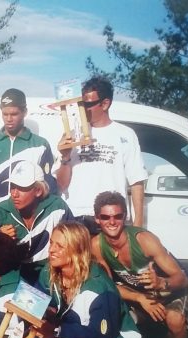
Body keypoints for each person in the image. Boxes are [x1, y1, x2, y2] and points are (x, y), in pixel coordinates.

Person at [34, 222, 141, 338]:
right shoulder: (50, 271)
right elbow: (38, 301)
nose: (51, 250)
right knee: (35, 329)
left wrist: (55, 331)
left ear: (77, 250)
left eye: (59, 246)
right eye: (51, 243)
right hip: (81, 331)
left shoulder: (98, 286)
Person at [90, 191, 188, 338]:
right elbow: (108, 286)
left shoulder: (144, 240)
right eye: (105, 217)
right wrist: (140, 298)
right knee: (111, 313)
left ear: (125, 217)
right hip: (139, 292)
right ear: (97, 219)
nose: (112, 222)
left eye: (118, 216)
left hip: (171, 288)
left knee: (175, 320)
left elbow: (182, 279)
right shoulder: (97, 245)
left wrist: (161, 282)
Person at [56, 76, 147, 233]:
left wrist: (138, 226)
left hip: (110, 218)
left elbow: (136, 181)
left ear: (105, 104)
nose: (83, 109)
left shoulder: (125, 134)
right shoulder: (71, 135)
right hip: (75, 217)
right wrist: (65, 157)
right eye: (81, 104)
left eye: (88, 104)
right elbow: (61, 185)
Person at [0, 160, 73, 281]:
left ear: (38, 191)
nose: (14, 194)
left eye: (21, 188)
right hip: (12, 277)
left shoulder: (57, 207)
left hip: (50, 274)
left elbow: (76, 242)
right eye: (12, 187)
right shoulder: (0, 212)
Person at [0, 88, 60, 212]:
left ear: (24, 112)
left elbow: (47, 185)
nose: (9, 119)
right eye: (5, 114)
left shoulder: (40, 144)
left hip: (29, 215)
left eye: (14, 114)